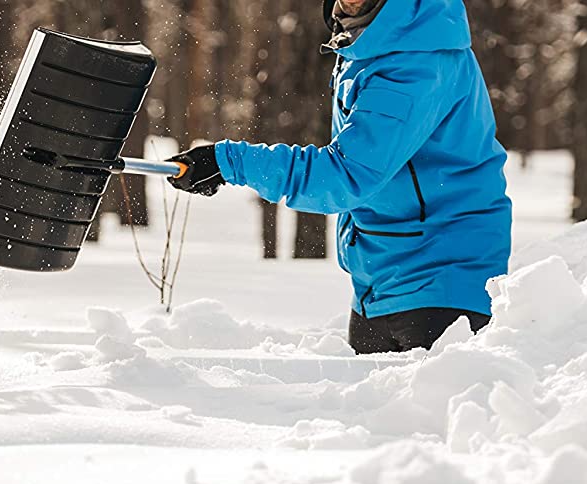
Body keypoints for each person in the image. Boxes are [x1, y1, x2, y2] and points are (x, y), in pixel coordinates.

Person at [167, 0, 513, 355]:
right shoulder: (369, 36)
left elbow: (346, 175)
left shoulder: (417, 58)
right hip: (380, 283)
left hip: (441, 283)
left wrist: (230, 162)